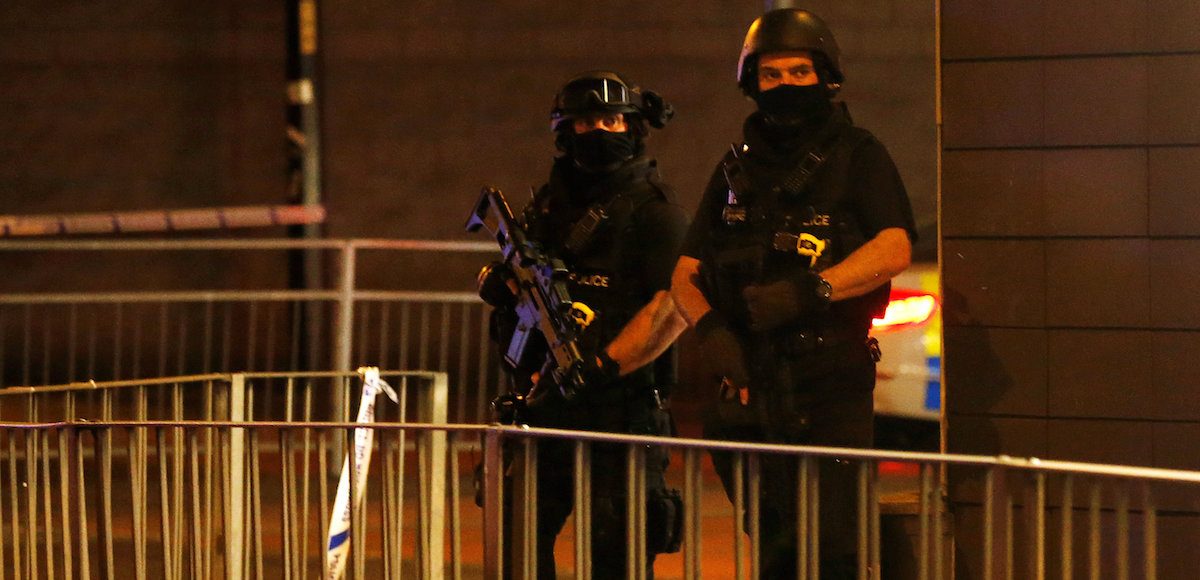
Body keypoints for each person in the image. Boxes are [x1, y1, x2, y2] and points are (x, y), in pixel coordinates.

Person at [669, 8, 917, 579]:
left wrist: (814, 290)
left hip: (829, 380)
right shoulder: (736, 170)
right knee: (776, 544)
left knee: (836, 549)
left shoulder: (858, 154)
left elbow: (893, 247)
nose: (785, 86)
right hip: (750, 385)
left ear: (825, 76)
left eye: (799, 73)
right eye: (772, 75)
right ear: (752, 82)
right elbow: (685, 273)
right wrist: (711, 332)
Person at [479, 70, 689, 578]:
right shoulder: (548, 205)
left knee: (617, 550)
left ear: (633, 127)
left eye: (611, 120)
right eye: (585, 122)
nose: (598, 132)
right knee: (518, 545)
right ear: (564, 131)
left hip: (622, 407)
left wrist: (605, 365)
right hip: (544, 404)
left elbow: (673, 304)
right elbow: (518, 288)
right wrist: (501, 285)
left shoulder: (653, 211)